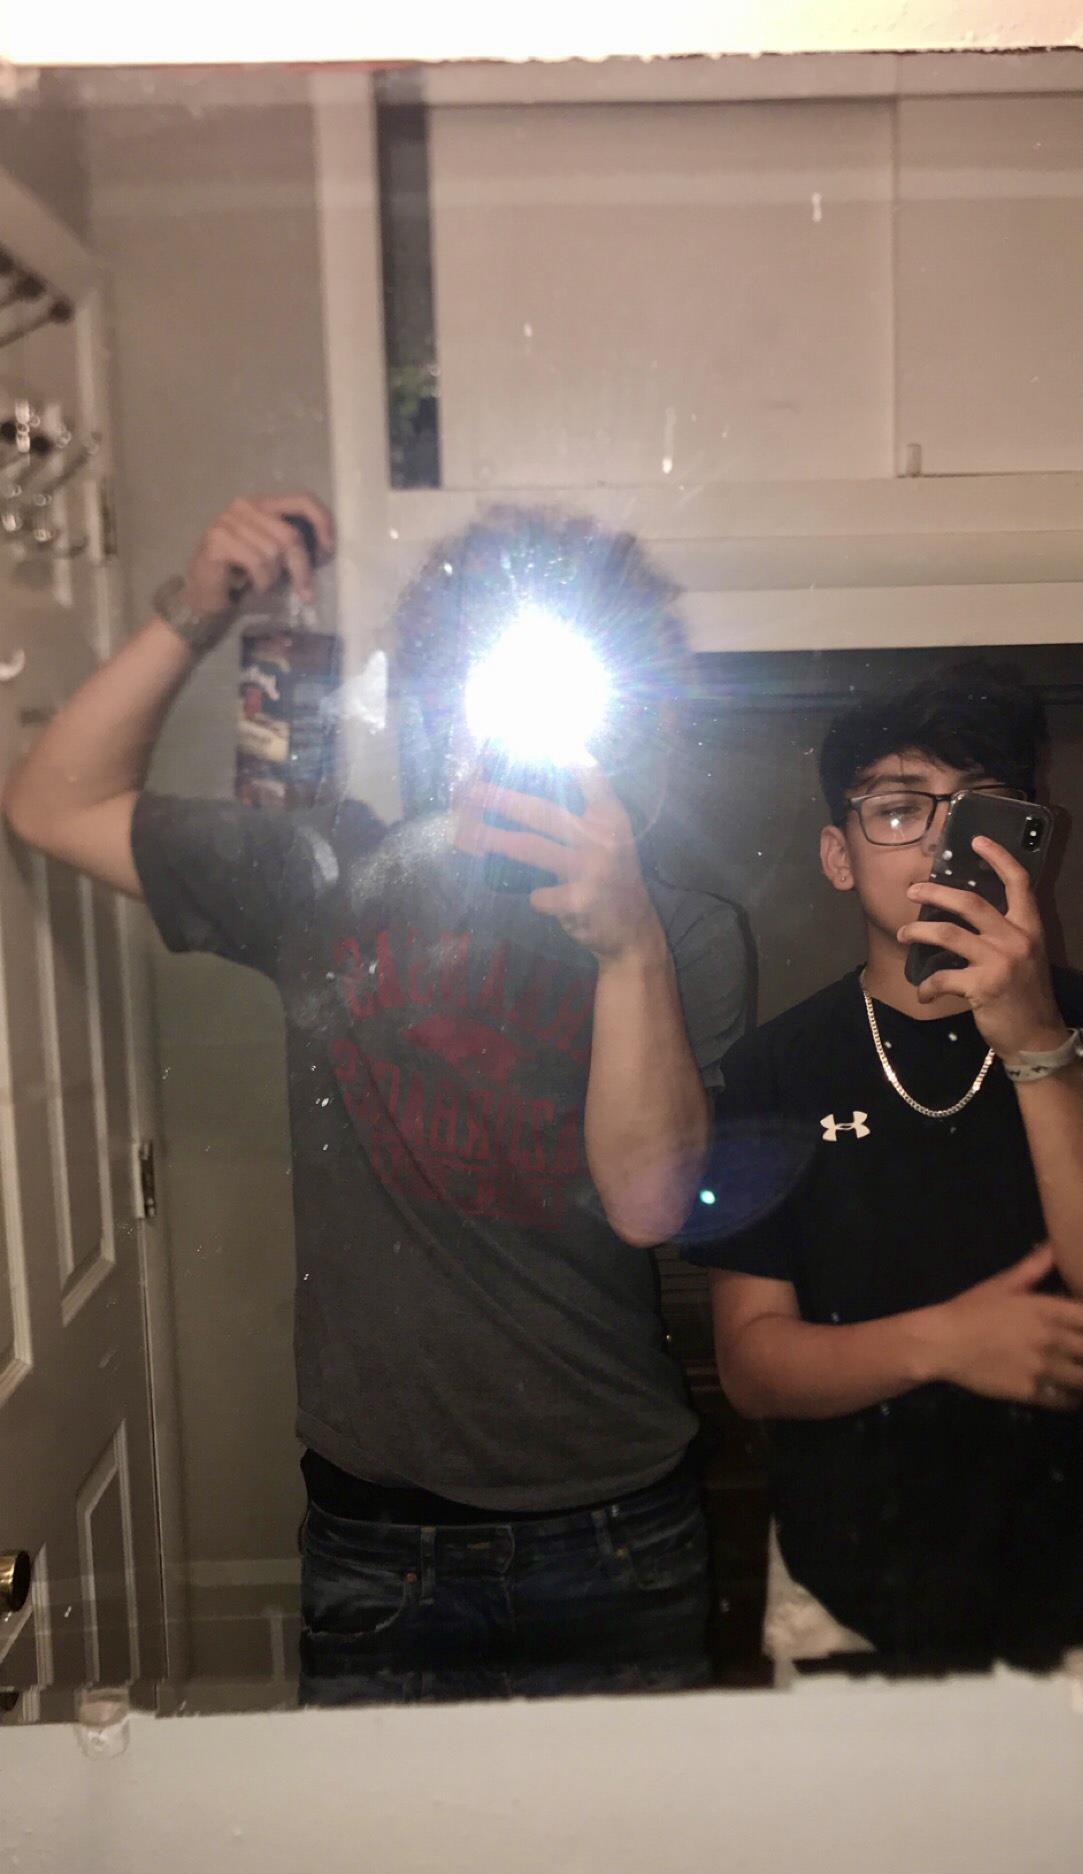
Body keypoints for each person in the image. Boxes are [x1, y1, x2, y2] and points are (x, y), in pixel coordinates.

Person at [2, 493, 746, 1703]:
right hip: (378, 1533)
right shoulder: (322, 872)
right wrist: (198, 608)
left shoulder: (685, 931)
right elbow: (50, 803)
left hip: (612, 1521)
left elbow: (651, 1205)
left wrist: (630, 948)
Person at [683, 661, 1083, 1666]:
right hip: (856, 1585)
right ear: (838, 856)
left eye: (978, 809)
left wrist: (1036, 1042)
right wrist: (943, 1343)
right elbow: (751, 1364)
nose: (938, 841)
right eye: (897, 809)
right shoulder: (774, 1069)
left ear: (1031, 841)